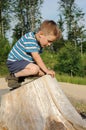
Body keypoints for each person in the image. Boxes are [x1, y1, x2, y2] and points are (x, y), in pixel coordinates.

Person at [6, 20, 61, 90]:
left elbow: (34, 60)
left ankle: (21, 76)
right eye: (49, 41)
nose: (49, 44)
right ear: (41, 34)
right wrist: (47, 70)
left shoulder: (39, 44)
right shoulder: (30, 39)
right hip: (14, 62)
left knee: (43, 74)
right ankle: (13, 76)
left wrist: (45, 72)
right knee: (35, 69)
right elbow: (36, 58)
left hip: (24, 63)